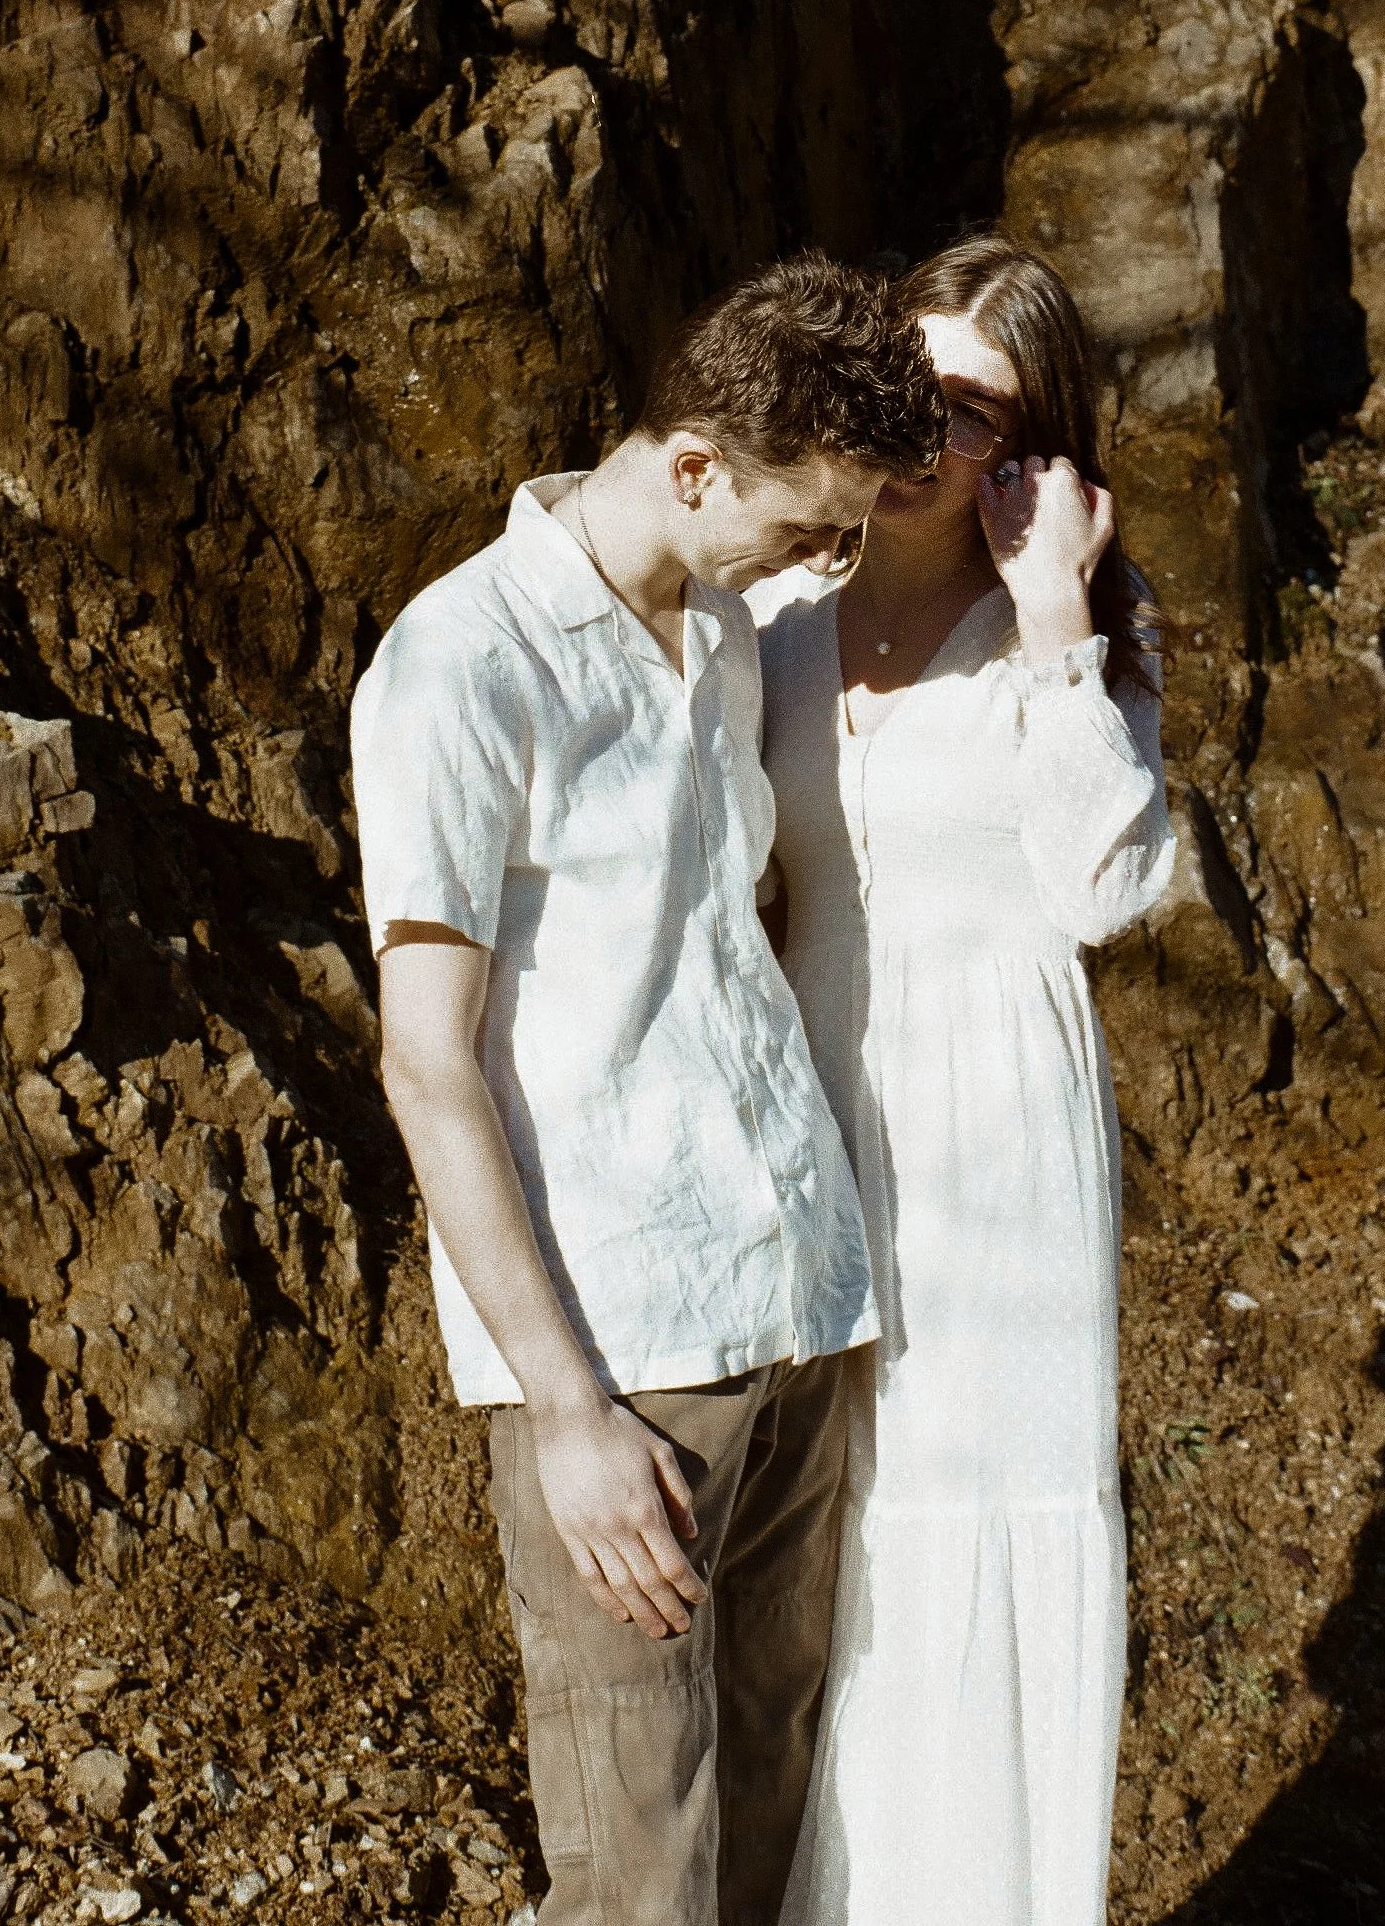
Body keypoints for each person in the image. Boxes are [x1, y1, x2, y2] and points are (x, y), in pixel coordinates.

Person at [350, 253, 946, 1926]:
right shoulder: (459, 666)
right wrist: (565, 1407)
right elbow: (426, 1062)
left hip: (797, 1312)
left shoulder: (724, 641)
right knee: (641, 1888)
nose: (818, 564)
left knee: (766, 1847)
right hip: (630, 1369)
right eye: (802, 526)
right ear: (694, 466)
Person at [754, 232, 1178, 1926]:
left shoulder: (1065, 651)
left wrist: (1060, 602)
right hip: (808, 1119)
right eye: (909, 388)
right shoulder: (777, 612)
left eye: (975, 408)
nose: (928, 431)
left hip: (994, 1149)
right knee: (829, 1568)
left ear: (1038, 449)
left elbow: (1102, 889)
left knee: (965, 1540)